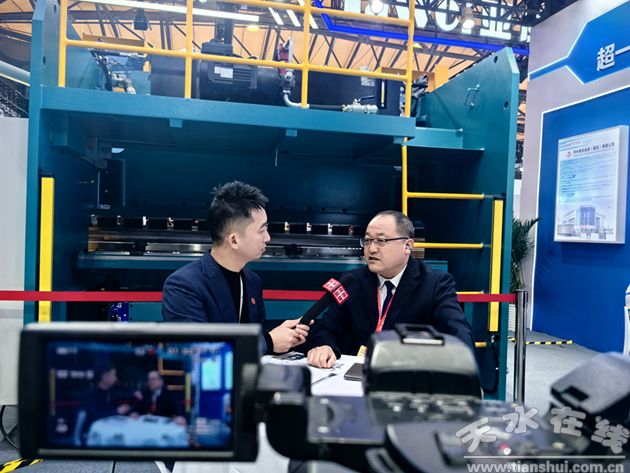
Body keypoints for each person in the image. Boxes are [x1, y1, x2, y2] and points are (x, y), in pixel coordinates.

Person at [307, 210, 475, 368]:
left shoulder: (435, 284)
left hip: (406, 376)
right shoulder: (352, 282)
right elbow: (328, 327)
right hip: (356, 375)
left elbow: (458, 333)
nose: (372, 249)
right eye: (367, 240)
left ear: (407, 246)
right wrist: (325, 346)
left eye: (381, 241)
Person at [162, 181, 309, 354]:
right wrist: (269, 341)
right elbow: (196, 350)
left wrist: (283, 337)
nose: (268, 238)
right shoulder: (183, 286)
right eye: (261, 230)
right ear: (234, 240)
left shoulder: (252, 281)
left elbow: (255, 338)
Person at [82, 366, 131, 436]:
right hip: (93, 431)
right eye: (114, 375)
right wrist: (117, 411)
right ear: (105, 377)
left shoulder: (110, 392)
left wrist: (128, 414)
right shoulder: (90, 394)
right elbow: (94, 416)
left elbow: (113, 410)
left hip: (108, 428)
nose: (116, 378)